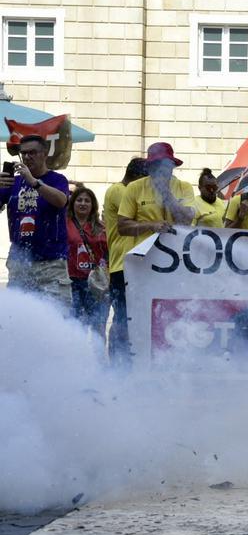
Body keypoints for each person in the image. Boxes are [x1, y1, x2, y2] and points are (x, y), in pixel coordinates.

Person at [0, 135, 72, 306]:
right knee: (18, 316)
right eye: (23, 153)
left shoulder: (57, 179)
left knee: (57, 316)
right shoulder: (13, 182)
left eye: (32, 153)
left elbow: (61, 201)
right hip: (20, 261)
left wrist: (33, 182)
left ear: (45, 154)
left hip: (51, 263)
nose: (26, 157)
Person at [103, 157, 147, 367]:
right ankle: (118, 363)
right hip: (122, 265)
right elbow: (144, 214)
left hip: (137, 266)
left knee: (134, 317)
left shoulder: (129, 191)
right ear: (138, 177)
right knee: (123, 317)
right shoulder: (119, 191)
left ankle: (128, 361)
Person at [118, 142, 195, 247]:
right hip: (145, 256)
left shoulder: (185, 187)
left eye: (165, 164)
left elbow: (187, 221)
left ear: (172, 166)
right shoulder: (135, 187)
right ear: (149, 167)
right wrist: (150, 225)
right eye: (156, 164)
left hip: (176, 254)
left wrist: (166, 194)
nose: (161, 168)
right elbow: (122, 227)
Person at [65, 187, 109, 337]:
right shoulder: (64, 224)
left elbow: (108, 252)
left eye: (87, 201)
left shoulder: (101, 227)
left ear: (92, 205)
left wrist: (103, 266)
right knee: (75, 326)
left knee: (98, 326)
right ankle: (77, 358)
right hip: (72, 282)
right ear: (72, 203)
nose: (83, 203)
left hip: (95, 284)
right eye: (79, 200)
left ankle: (97, 359)